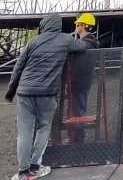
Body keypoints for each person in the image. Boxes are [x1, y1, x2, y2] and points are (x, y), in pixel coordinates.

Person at [5, 14, 89, 180]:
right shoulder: (65, 40)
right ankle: (35, 167)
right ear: (58, 25)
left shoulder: (33, 41)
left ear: (43, 25)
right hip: (46, 93)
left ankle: (22, 172)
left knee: (24, 133)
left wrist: (11, 90)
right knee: (43, 128)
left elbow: (18, 67)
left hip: (25, 92)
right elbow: (82, 47)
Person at [68, 13, 100, 143]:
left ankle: (79, 139)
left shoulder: (87, 44)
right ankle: (76, 136)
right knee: (77, 109)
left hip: (79, 83)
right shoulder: (88, 43)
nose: (76, 26)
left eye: (78, 25)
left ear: (84, 26)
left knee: (78, 110)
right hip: (81, 82)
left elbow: (81, 65)